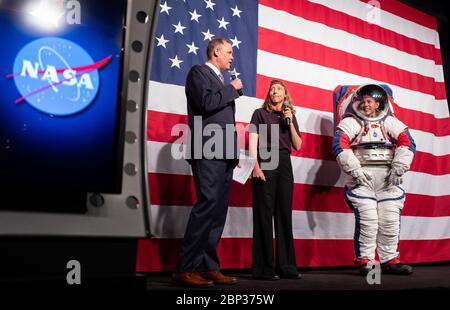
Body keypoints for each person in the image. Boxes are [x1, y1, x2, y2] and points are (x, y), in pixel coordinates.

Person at [171, 37, 244, 287]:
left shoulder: (220, 81)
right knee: (207, 205)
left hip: (223, 153)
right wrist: (233, 88)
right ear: (216, 52)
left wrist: (234, 153)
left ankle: (208, 266)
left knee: (218, 211)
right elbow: (206, 103)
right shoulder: (198, 72)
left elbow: (222, 119)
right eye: (229, 52)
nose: (232, 57)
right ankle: (185, 268)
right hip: (207, 150)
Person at [332, 84, 416, 275]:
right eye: (363, 101)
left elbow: (407, 142)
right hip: (362, 179)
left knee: (390, 219)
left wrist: (399, 168)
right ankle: (366, 261)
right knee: (368, 220)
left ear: (378, 104)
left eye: (369, 101)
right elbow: (339, 143)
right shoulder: (351, 121)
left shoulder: (390, 122)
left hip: (388, 179)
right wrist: (354, 169)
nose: (365, 104)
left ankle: (389, 259)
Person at [249, 80, 302, 280]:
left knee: (284, 214)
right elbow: (253, 140)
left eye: (279, 89)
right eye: (272, 89)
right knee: (264, 214)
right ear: (269, 95)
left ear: (285, 95)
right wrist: (255, 165)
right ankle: (264, 269)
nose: (274, 91)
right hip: (266, 158)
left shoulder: (289, 115)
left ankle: (287, 267)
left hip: (285, 161)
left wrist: (290, 123)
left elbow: (297, 144)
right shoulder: (260, 113)